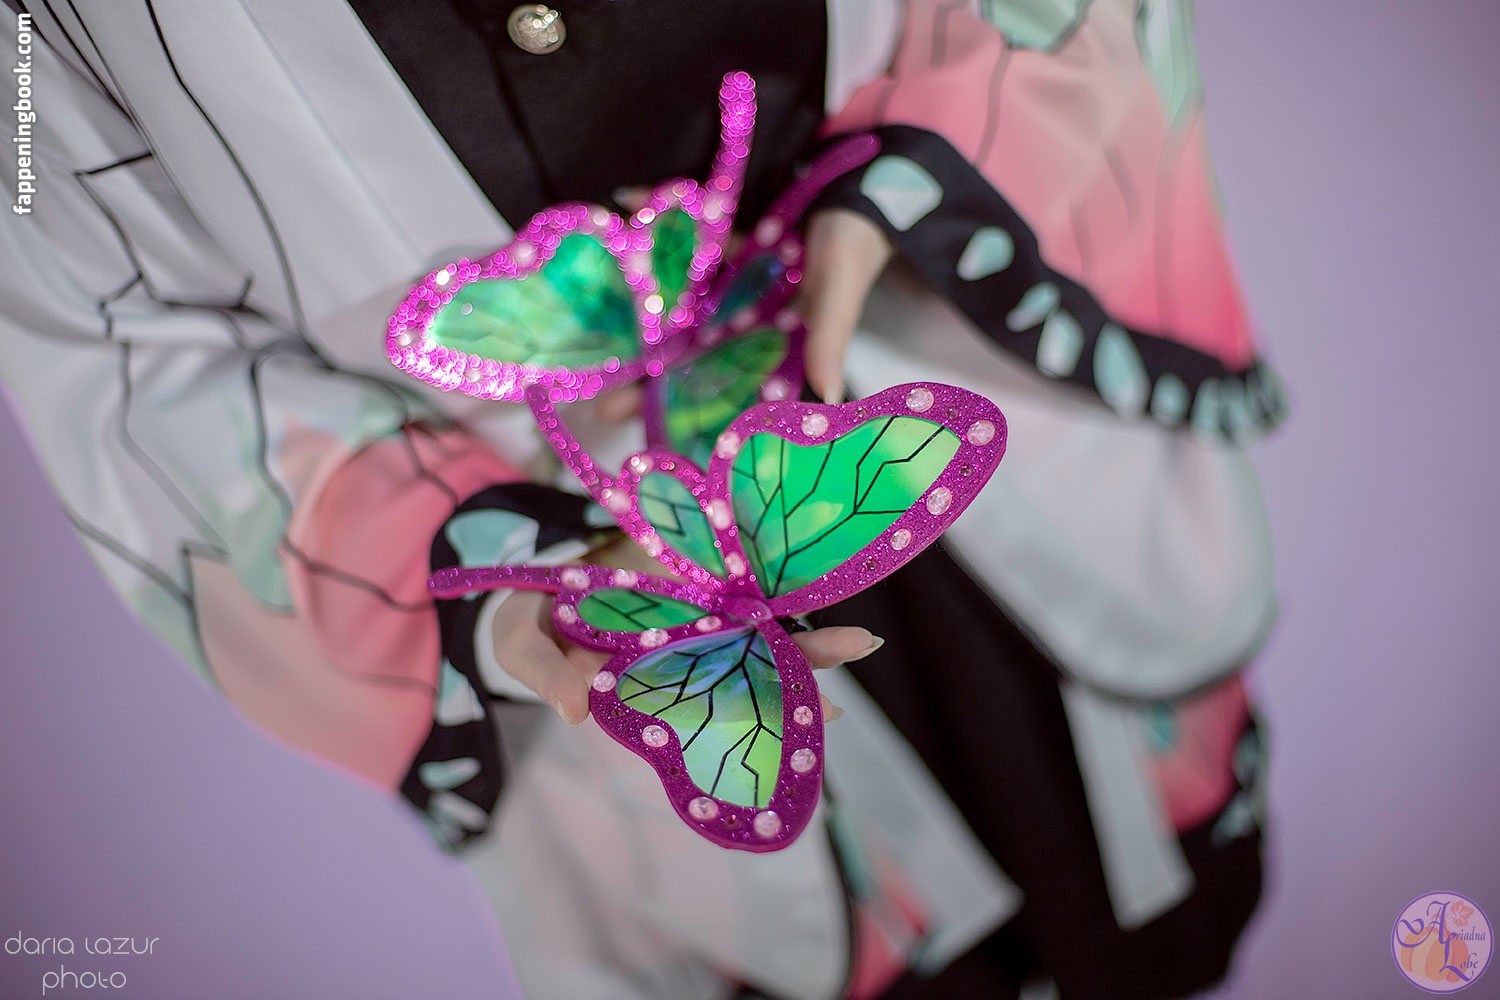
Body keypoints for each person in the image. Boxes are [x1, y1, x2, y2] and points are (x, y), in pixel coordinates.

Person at [1, 2, 1280, 997]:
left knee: (1136, 911)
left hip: (948, 380)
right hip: (585, 591)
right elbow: (117, 347)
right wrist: (500, 594)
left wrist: (912, 184)